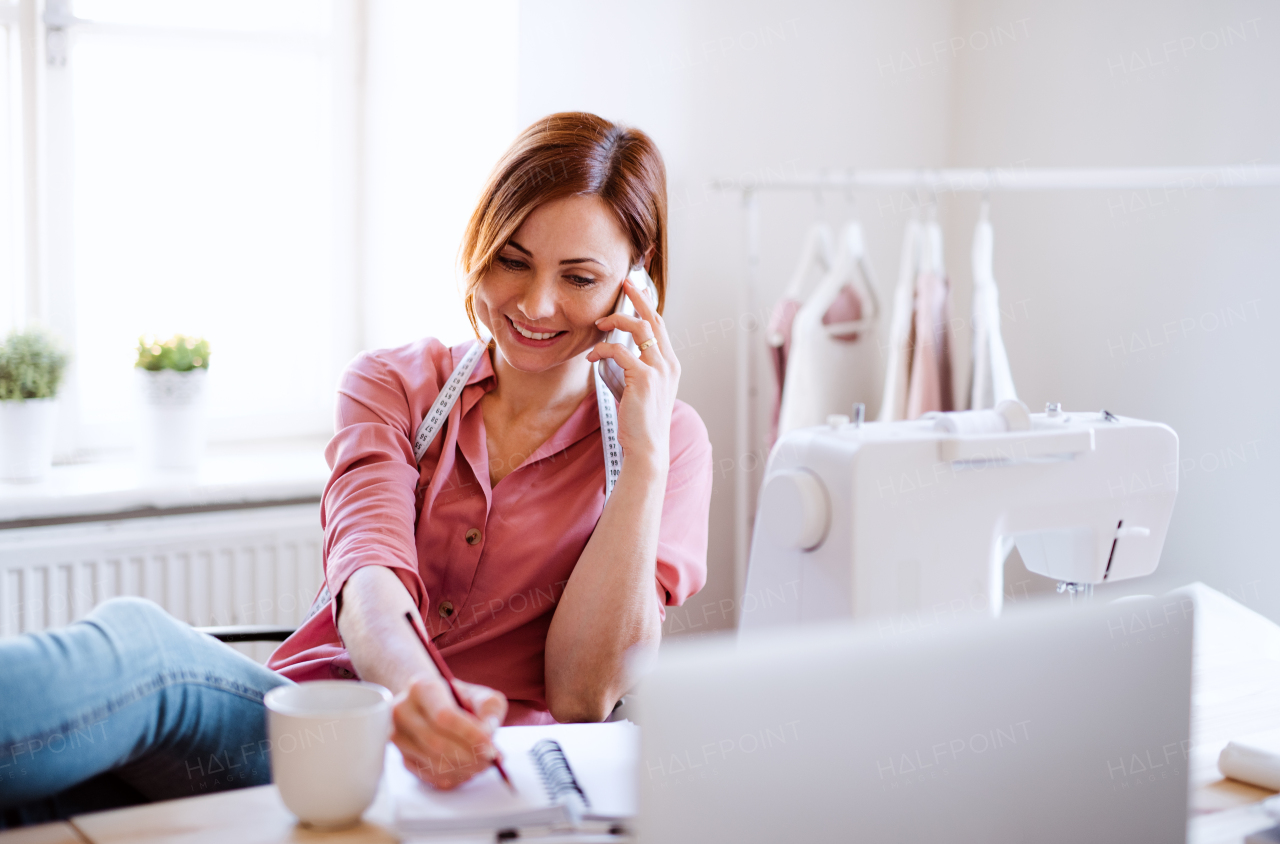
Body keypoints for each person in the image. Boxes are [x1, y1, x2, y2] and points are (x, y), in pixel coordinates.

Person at [0, 112, 712, 827]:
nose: (534, 304)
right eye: (512, 260)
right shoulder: (392, 384)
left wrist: (644, 460)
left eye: (580, 277)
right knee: (101, 713)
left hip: (482, 782)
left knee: (72, 766)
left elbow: (584, 697)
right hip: (309, 739)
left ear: (635, 281)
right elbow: (368, 572)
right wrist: (413, 693)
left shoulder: (668, 444)